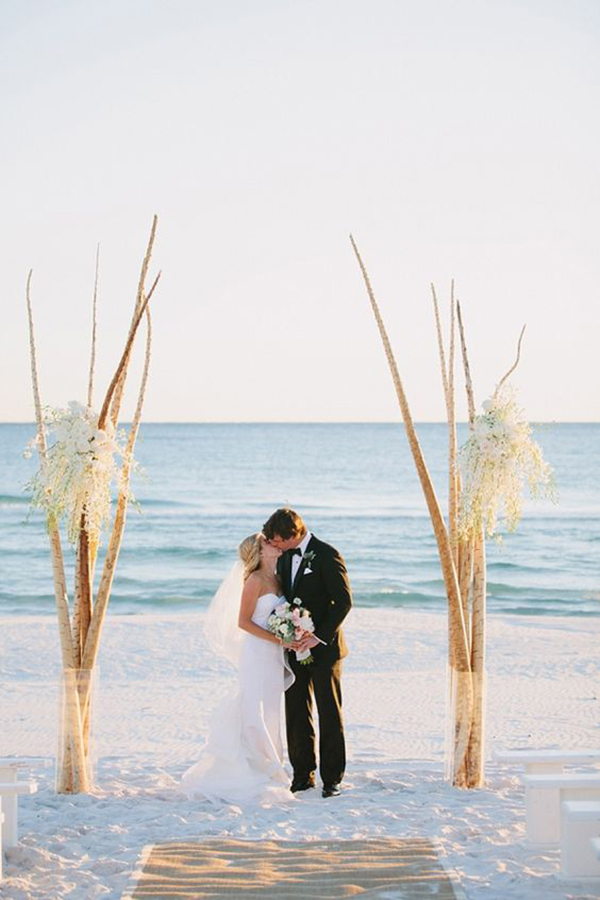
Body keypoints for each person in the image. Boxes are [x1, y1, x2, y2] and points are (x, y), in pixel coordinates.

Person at [178, 533, 295, 805]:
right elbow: (244, 622)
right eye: (268, 541)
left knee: (271, 710)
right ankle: (265, 767)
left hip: (274, 654)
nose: (274, 543)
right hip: (256, 652)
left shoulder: (278, 578)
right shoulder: (253, 580)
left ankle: (271, 762)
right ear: (259, 551)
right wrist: (278, 638)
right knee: (254, 710)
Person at [262, 508, 352, 798]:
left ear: (292, 534)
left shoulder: (327, 554)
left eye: (277, 539)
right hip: (294, 646)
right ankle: (302, 776)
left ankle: (332, 780)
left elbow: (343, 602)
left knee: (329, 713)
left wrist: (317, 637)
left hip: (324, 649)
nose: (274, 544)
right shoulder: (283, 556)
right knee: (297, 712)